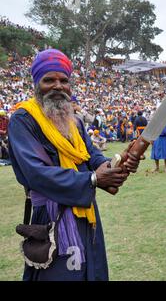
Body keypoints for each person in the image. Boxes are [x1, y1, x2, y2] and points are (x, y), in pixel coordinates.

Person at [7, 49, 143, 281]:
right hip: (51, 216)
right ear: (36, 84)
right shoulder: (23, 120)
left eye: (64, 80)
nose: (58, 86)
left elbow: (92, 157)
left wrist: (117, 163)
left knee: (91, 272)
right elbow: (36, 174)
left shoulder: (74, 122)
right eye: (49, 80)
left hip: (85, 214)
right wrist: (93, 179)